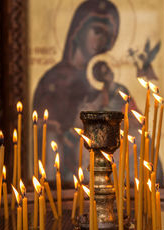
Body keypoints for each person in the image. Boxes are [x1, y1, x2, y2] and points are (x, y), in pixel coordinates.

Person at [33, 0, 120, 183]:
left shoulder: (101, 81)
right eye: (97, 31)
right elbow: (46, 135)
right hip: (64, 176)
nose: (101, 40)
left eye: (107, 35)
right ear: (79, 30)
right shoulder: (54, 80)